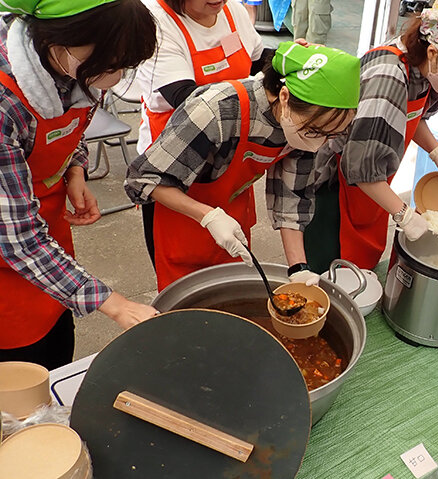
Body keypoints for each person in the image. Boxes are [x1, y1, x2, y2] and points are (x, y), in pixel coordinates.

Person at [0, 0, 158, 370]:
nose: (116, 77)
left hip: (47, 237)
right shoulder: (6, 103)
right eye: (109, 63)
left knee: (56, 347)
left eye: (125, 65)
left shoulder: (76, 68)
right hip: (14, 248)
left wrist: (74, 170)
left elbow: (75, 127)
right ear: (60, 39)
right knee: (21, 383)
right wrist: (115, 304)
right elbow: (18, 240)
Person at [125, 42, 359, 290]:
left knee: (230, 296)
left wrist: (298, 268)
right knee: (186, 310)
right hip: (183, 223)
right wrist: (208, 216)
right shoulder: (216, 110)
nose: (319, 142)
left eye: (329, 136)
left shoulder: (301, 127)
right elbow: (142, 179)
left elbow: (291, 197)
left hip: (233, 216)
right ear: (284, 97)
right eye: (314, 131)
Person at [306, 0, 438, 272]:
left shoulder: (425, 71)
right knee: (331, 271)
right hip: (338, 187)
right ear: (433, 53)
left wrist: (436, 152)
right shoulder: (388, 78)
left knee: (361, 265)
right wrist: (404, 215)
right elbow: (360, 169)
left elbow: (412, 116)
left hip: (374, 183)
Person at [135, 0, 267, 267]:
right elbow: (187, 100)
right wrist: (258, 88)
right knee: (183, 268)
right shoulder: (154, 22)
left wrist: (289, 60)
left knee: (233, 261)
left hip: (230, 163)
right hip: (176, 166)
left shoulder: (232, 11)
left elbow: (257, 60)